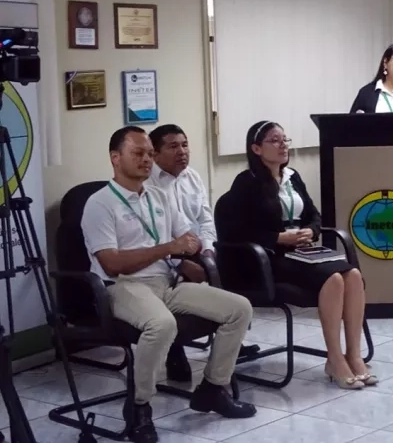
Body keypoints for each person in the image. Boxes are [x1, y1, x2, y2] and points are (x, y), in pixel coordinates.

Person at [81, 126, 257, 443]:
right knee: (161, 325)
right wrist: (169, 248)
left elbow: (187, 240)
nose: (147, 160)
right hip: (123, 286)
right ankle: (139, 408)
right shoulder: (100, 204)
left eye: (150, 153)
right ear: (115, 158)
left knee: (239, 308)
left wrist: (191, 252)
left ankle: (213, 390)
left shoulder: (159, 196)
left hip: (166, 281)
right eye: (138, 153)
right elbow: (112, 263)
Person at [221, 120, 375, 390]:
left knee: (352, 275)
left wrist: (310, 231)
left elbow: (314, 215)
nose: (283, 145)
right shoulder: (247, 183)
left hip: (302, 250)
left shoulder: (292, 177)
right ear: (256, 148)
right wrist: (278, 238)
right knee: (334, 280)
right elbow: (235, 231)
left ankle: (353, 354)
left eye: (284, 140)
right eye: (275, 140)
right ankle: (334, 358)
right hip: (268, 258)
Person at [146, 124, 260, 383]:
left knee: (227, 265)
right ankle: (175, 350)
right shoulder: (147, 184)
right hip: (168, 255)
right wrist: (179, 263)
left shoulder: (192, 177)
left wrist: (208, 248)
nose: (182, 152)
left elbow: (205, 219)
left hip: (199, 248)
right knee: (186, 277)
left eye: (185, 145)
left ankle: (229, 340)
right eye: (173, 146)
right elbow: (154, 235)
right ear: (155, 153)